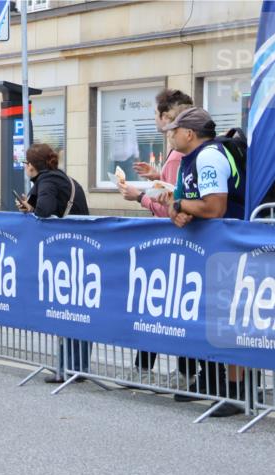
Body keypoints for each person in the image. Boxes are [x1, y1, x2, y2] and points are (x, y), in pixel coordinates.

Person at [161, 106, 246, 417]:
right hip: (215, 248)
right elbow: (179, 204)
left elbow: (213, 208)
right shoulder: (189, 160)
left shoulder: (209, 156)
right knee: (218, 316)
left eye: (173, 131)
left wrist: (182, 205)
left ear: (189, 133)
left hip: (231, 246)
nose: (169, 136)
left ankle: (236, 392)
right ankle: (222, 384)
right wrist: (178, 211)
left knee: (232, 318)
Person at [118, 89, 193, 382]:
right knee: (167, 310)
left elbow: (171, 207)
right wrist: (157, 177)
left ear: (166, 118)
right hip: (176, 244)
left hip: (172, 244)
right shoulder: (178, 155)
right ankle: (173, 371)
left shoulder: (178, 154)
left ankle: (176, 373)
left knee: (162, 310)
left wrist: (139, 197)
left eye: (157, 115)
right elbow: (174, 192)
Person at [15, 143, 92, 384]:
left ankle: (69, 368)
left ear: (31, 166)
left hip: (67, 252)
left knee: (69, 309)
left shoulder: (47, 181)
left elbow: (45, 211)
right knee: (76, 309)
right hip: (79, 248)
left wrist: (33, 208)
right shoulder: (60, 178)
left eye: (26, 163)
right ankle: (74, 367)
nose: (25, 167)